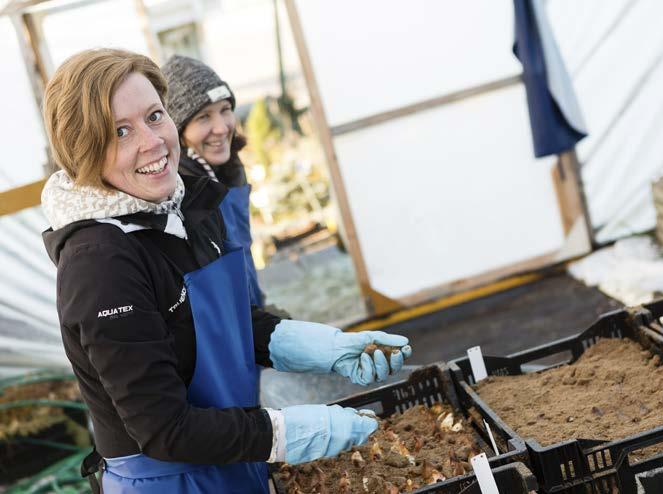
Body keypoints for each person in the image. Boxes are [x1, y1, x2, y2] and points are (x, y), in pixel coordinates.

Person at [40, 48, 412, 494]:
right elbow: (163, 428)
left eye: (154, 116)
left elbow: (224, 321)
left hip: (233, 456)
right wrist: (286, 433)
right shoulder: (99, 263)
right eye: (121, 131)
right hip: (171, 480)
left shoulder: (186, 204)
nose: (152, 141)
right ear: (84, 150)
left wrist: (327, 347)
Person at [161, 55, 265, 308]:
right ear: (178, 132)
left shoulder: (230, 171)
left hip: (252, 314)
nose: (221, 128)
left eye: (225, 110)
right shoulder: (180, 196)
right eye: (203, 117)